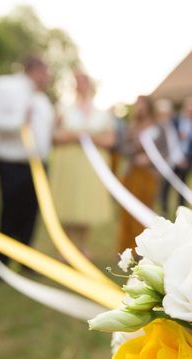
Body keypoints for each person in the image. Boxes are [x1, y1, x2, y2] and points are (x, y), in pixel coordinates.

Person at [0, 56, 54, 268]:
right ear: (35, 69)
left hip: (39, 165)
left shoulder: (42, 99)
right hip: (13, 164)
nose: (48, 77)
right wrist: (19, 121)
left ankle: (26, 261)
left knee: (31, 214)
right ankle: (2, 262)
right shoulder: (4, 86)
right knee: (10, 212)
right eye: (46, 71)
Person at [51, 70, 114, 254]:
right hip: (69, 162)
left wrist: (87, 137)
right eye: (77, 81)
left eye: (83, 81)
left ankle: (82, 246)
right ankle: (65, 247)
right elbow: (55, 137)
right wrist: (76, 136)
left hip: (91, 164)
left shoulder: (101, 113)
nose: (80, 85)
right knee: (68, 200)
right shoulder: (64, 109)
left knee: (86, 202)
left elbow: (110, 140)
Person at [118, 95, 166, 252]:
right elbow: (123, 148)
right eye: (137, 104)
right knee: (128, 209)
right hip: (132, 173)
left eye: (142, 104)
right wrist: (135, 153)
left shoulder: (158, 128)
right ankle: (126, 247)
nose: (140, 107)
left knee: (145, 209)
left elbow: (164, 151)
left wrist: (149, 159)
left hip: (149, 175)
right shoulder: (131, 127)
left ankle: (143, 248)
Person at [162, 96, 192, 210]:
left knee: (183, 185)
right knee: (167, 184)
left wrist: (189, 160)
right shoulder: (175, 121)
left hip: (187, 160)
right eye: (189, 109)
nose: (191, 112)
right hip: (173, 159)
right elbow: (168, 139)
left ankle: (181, 208)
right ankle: (164, 208)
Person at [154, 98, 186, 214]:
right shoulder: (156, 127)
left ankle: (173, 208)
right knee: (163, 188)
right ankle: (163, 209)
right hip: (162, 162)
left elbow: (174, 144)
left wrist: (179, 158)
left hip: (172, 162)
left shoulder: (172, 126)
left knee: (171, 186)